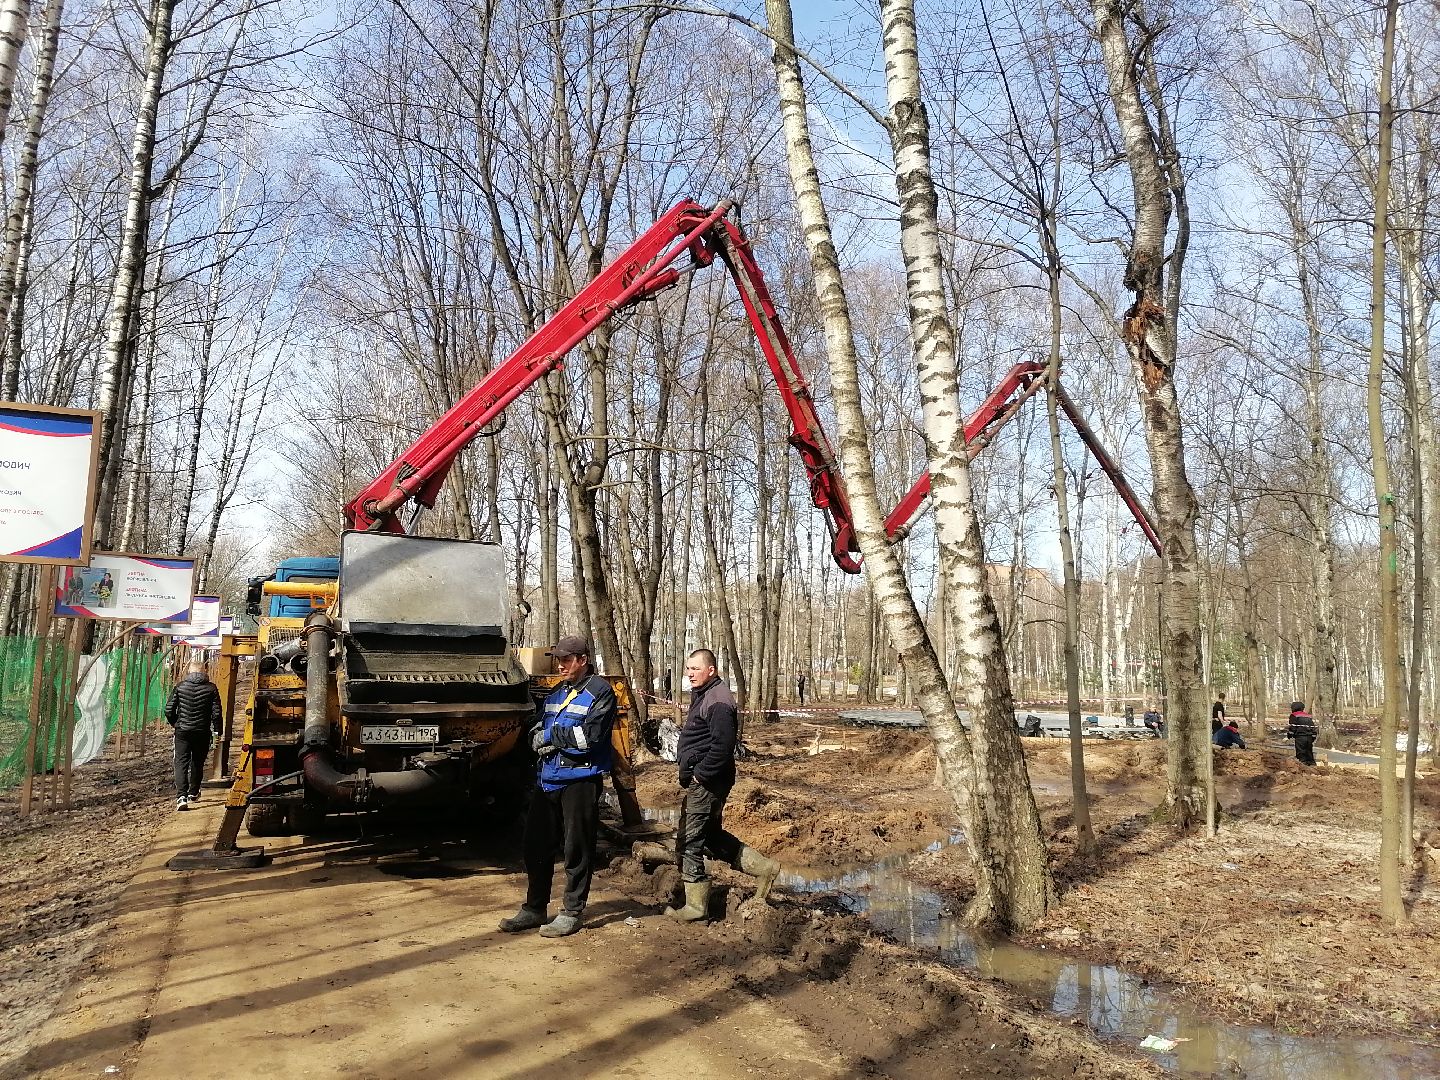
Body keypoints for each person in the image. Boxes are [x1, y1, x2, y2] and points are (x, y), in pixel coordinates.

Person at [499, 635, 616, 939]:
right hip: (548, 779)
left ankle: (572, 912)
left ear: (582, 661)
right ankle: (535, 908)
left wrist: (552, 738)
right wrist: (537, 739)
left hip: (579, 780)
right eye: (558, 660)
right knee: (535, 844)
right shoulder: (557, 692)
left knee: (576, 848)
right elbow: (537, 726)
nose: (560, 665)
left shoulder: (601, 693)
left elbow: (589, 739)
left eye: (566, 660)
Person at [666, 648, 781, 922]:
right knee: (711, 837)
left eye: (696, 668)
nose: (690, 673)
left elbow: (723, 746)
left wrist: (699, 775)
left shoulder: (718, 700)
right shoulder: (706, 694)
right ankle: (764, 868)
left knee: (690, 842)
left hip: (708, 783)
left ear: (711, 670)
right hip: (707, 780)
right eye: (688, 668)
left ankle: (696, 908)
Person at [164, 657, 222, 810]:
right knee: (197, 762)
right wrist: (218, 730)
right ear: (205, 672)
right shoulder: (211, 688)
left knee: (181, 762)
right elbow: (216, 713)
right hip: (202, 731)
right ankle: (194, 792)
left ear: (189, 672)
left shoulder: (180, 687)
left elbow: (168, 709)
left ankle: (181, 797)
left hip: (182, 731)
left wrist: (175, 723)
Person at [1286, 700, 1319, 766]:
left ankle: (1303, 766)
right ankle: (1312, 765)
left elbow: (1293, 727)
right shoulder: (1308, 716)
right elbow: (1313, 727)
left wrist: (1289, 735)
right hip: (1309, 737)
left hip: (1300, 737)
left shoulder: (1294, 715)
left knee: (1301, 753)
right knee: (1309, 752)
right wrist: (1313, 736)